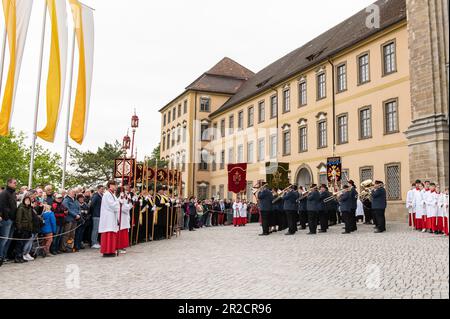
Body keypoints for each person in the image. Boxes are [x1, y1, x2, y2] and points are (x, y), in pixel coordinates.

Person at [98, 181, 120, 257]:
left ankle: (111, 250)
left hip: (111, 216)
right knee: (108, 233)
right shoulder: (107, 194)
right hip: (108, 216)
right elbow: (112, 205)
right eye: (115, 185)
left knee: (111, 233)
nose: (116, 187)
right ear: (111, 185)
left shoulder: (112, 194)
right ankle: (107, 251)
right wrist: (119, 202)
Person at [0, 178, 18, 266]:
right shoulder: (4, 193)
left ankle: (4, 256)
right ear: (9, 183)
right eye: (14, 183)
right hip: (7, 220)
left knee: (9, 239)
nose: (16, 184)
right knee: (4, 239)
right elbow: (2, 206)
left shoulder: (14, 193)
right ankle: (0, 256)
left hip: (13, 220)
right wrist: (6, 217)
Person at [14, 196, 34, 263]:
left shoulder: (29, 208)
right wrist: (19, 228)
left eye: (29, 200)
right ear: (23, 200)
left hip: (27, 228)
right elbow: (18, 219)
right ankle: (17, 257)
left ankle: (21, 256)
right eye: (26, 200)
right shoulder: (21, 208)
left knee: (23, 244)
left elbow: (30, 219)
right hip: (22, 228)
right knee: (19, 243)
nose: (28, 201)